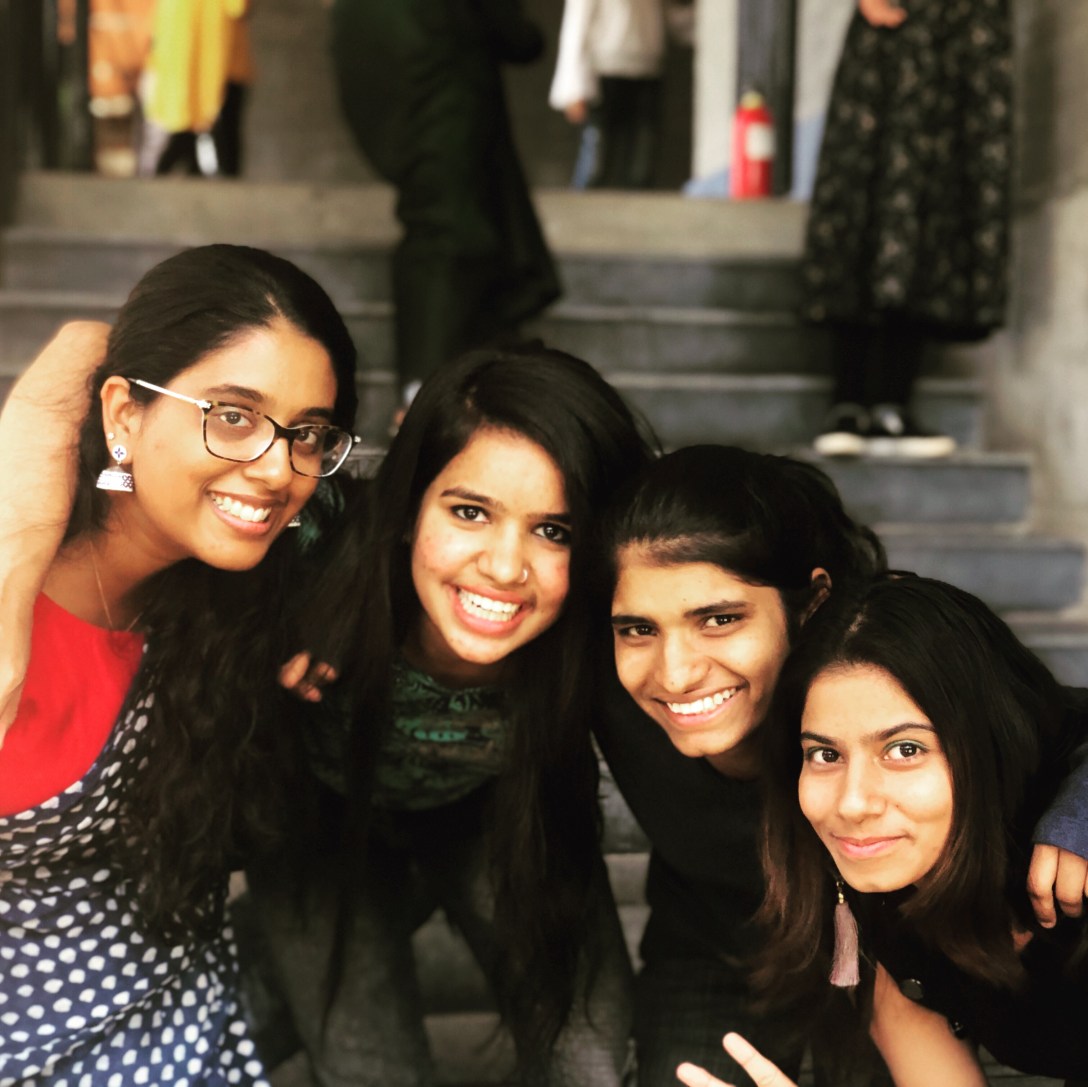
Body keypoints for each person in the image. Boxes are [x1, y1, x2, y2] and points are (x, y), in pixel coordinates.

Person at [597, 445, 1088, 1086]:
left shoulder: (899, 669)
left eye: (904, 749)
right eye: (823, 755)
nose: (676, 673)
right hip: (741, 948)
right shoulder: (877, 897)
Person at [245, 345, 657, 1086]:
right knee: (368, 1071)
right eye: (470, 512)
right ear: (408, 507)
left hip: (499, 817)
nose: (504, 566)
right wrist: (285, 625)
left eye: (554, 530)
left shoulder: (620, 628)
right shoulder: (313, 547)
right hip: (322, 827)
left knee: (593, 1067)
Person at [0, 243, 359, 1085]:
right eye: (232, 415)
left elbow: (92, 344)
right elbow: (84, 347)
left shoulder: (228, 601)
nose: (277, 469)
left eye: (308, 433)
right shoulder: (20, 599)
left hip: (186, 1030)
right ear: (123, 416)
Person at [755, 574, 1088, 1084]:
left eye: (905, 749)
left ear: (989, 747)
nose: (852, 803)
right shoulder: (884, 912)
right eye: (824, 754)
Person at [804, 0, 1011, 458]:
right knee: (866, 194)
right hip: (897, 30)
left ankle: (893, 403)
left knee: (932, 204)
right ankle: (847, 401)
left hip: (964, 30)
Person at [328, 0, 561, 402]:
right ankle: (428, 393)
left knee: (443, 232)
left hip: (407, 102)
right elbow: (521, 40)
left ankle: (424, 389)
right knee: (452, 237)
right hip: (446, 102)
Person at [550, 0, 666, 190]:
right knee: (597, 163)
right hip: (605, 69)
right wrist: (573, 89)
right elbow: (575, 26)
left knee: (640, 166)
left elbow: (670, 14)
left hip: (648, 70)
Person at [139, 0, 254, 177]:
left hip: (215, 76)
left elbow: (237, 8)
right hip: (181, 76)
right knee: (178, 147)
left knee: (217, 152)